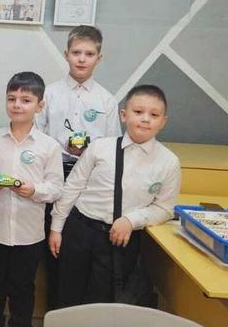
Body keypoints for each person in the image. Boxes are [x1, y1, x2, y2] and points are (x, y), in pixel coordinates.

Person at [48, 85, 181, 307]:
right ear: (123, 115)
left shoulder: (168, 162)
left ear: (163, 121)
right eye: (138, 112)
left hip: (119, 239)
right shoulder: (100, 148)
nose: (145, 119)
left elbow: (164, 208)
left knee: (103, 301)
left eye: (154, 115)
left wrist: (132, 220)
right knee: (67, 294)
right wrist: (56, 228)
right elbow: (72, 187)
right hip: (80, 229)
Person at [36, 25, 120, 309]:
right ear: (66, 54)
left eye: (89, 54)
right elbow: (37, 135)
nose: (82, 59)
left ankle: (81, 317)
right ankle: (55, 314)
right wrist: (62, 147)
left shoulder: (107, 100)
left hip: (89, 181)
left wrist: (88, 151)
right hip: (55, 173)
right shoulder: (50, 93)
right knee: (54, 248)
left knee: (81, 250)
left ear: (99, 58)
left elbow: (112, 145)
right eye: (76, 53)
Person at [0, 72, 63, 327]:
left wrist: (34, 190)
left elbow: (56, 187)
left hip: (29, 232)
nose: (17, 105)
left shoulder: (49, 146)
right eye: (11, 98)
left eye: (26, 100)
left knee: (23, 284)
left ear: (40, 105)